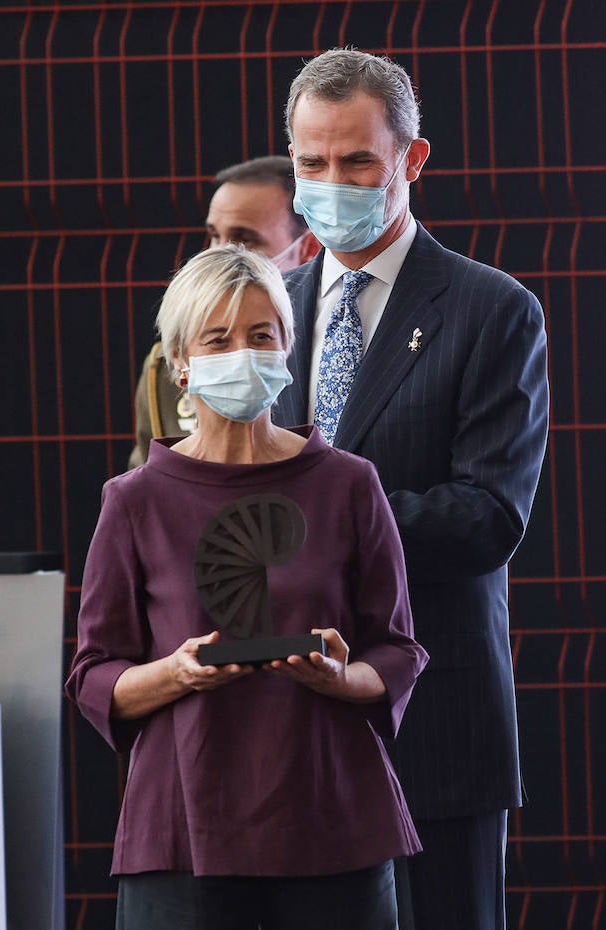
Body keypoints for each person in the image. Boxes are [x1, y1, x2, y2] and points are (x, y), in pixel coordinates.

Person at [68, 244, 427, 929]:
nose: (243, 353)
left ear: (289, 348)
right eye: (218, 338)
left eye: (261, 335)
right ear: (179, 362)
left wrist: (340, 676)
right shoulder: (134, 500)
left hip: (333, 814)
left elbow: (397, 650)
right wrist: (175, 674)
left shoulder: (349, 484)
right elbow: (94, 675)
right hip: (182, 825)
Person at [271, 49, 550, 930]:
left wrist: (326, 514)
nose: (332, 182)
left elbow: (488, 518)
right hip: (279, 721)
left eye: (358, 162)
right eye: (312, 164)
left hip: (435, 719)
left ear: (412, 160)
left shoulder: (491, 309)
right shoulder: (267, 310)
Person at [127, 156, 320, 468]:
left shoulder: (336, 352)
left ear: (308, 248)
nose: (223, 253)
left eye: (244, 239)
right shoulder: (172, 364)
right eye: (215, 235)